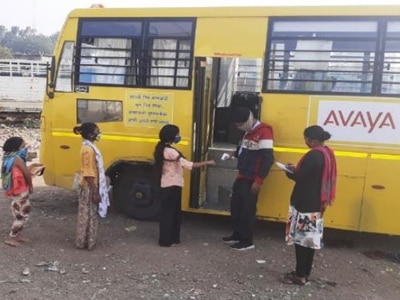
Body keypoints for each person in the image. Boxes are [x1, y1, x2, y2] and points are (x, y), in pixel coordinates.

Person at [281, 125, 337, 285]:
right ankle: (305, 272)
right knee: (310, 241)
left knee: (301, 241)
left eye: (305, 138)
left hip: (304, 204)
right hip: (317, 203)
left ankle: (299, 275)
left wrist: (288, 171)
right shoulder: (327, 153)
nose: (305, 141)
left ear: (312, 140)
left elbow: (300, 177)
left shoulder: (313, 155)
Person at [154, 124, 215, 247]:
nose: (178, 137)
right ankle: (166, 240)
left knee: (171, 213)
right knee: (170, 214)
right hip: (171, 186)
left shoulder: (162, 148)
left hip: (169, 184)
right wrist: (207, 162)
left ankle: (171, 239)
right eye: (176, 135)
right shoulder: (170, 151)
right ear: (171, 136)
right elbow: (189, 165)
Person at [222, 107, 274, 251]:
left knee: (247, 210)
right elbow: (245, 152)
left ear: (247, 120)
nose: (238, 127)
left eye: (240, 124)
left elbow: (268, 159)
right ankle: (237, 234)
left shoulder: (264, 132)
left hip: (252, 178)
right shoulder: (247, 132)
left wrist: (259, 180)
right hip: (242, 174)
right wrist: (233, 154)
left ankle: (247, 240)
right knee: (236, 206)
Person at [73, 122, 110, 250]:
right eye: (97, 132)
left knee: (89, 213)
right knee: (87, 214)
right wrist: (95, 191)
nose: (99, 134)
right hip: (89, 185)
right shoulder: (88, 150)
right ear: (90, 134)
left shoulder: (89, 147)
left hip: (90, 184)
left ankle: (86, 241)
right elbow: (88, 173)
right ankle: (84, 241)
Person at [1, 137, 34, 247]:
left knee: (18, 209)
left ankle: (18, 235)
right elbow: (26, 174)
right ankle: (12, 237)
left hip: (13, 189)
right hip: (21, 189)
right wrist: (31, 186)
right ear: (17, 147)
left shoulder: (7, 157)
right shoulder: (17, 159)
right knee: (24, 213)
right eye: (23, 147)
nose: (24, 149)